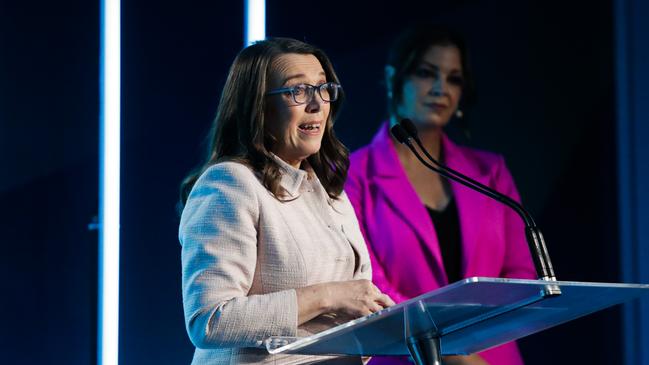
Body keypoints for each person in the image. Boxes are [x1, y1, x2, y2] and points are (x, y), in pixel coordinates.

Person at [179, 38, 395, 365]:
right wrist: (329, 296)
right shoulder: (230, 183)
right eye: (297, 91)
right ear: (258, 107)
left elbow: (355, 302)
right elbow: (210, 320)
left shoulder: (329, 192)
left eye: (323, 88)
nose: (316, 104)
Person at [344, 25, 536, 365]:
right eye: (425, 73)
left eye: (453, 78)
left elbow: (521, 275)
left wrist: (471, 347)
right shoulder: (353, 175)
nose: (440, 89)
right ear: (393, 79)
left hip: (491, 357)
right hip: (407, 356)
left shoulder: (490, 172)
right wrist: (446, 349)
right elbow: (368, 285)